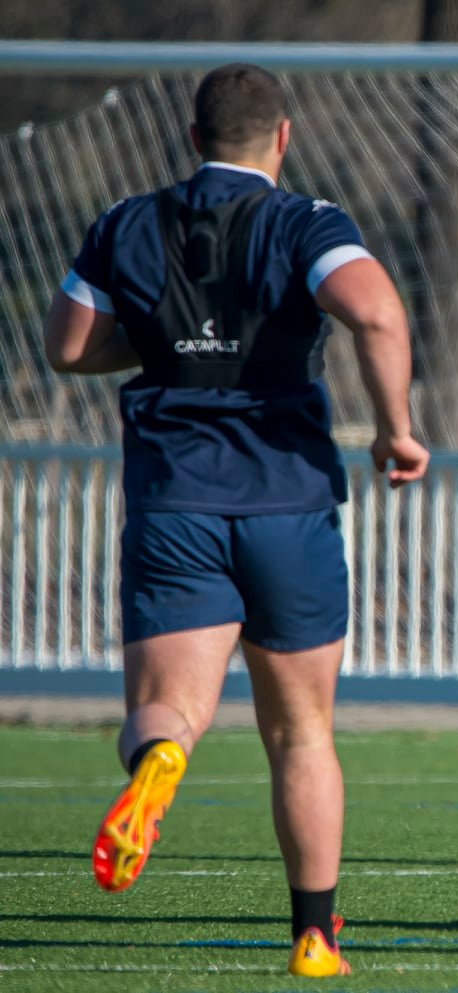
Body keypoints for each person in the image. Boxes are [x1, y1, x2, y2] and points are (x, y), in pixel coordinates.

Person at [45, 63, 429, 978]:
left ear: (191, 138)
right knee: (301, 733)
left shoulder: (124, 222)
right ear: (282, 138)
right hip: (288, 502)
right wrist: (396, 430)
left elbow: (64, 347)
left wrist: (167, 340)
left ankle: (162, 763)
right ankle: (313, 936)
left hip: (176, 496)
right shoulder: (306, 222)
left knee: (165, 708)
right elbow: (374, 313)